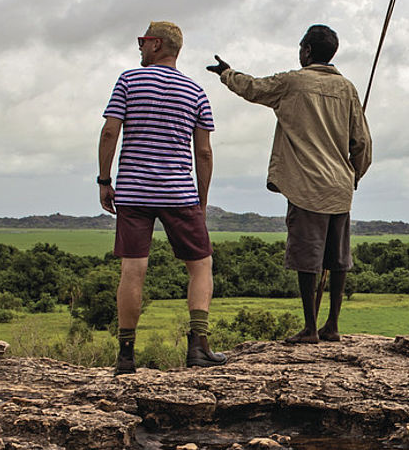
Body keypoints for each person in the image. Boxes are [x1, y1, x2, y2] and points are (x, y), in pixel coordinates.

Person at [208, 25, 372, 343]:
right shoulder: (348, 89)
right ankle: (333, 325)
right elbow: (362, 142)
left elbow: (253, 88)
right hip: (339, 187)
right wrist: (354, 176)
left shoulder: (293, 83)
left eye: (301, 47)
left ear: (307, 51)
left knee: (307, 259)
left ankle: (311, 328)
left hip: (306, 186)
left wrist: (227, 74)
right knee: (338, 260)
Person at [99, 20, 226, 373]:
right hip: (178, 191)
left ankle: (125, 356)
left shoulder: (128, 81)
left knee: (133, 268)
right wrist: (200, 202)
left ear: (157, 44)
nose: (139, 47)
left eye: (143, 41)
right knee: (200, 266)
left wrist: (104, 180)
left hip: (134, 190)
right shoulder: (196, 92)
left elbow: (111, 131)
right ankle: (198, 347)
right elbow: (203, 153)